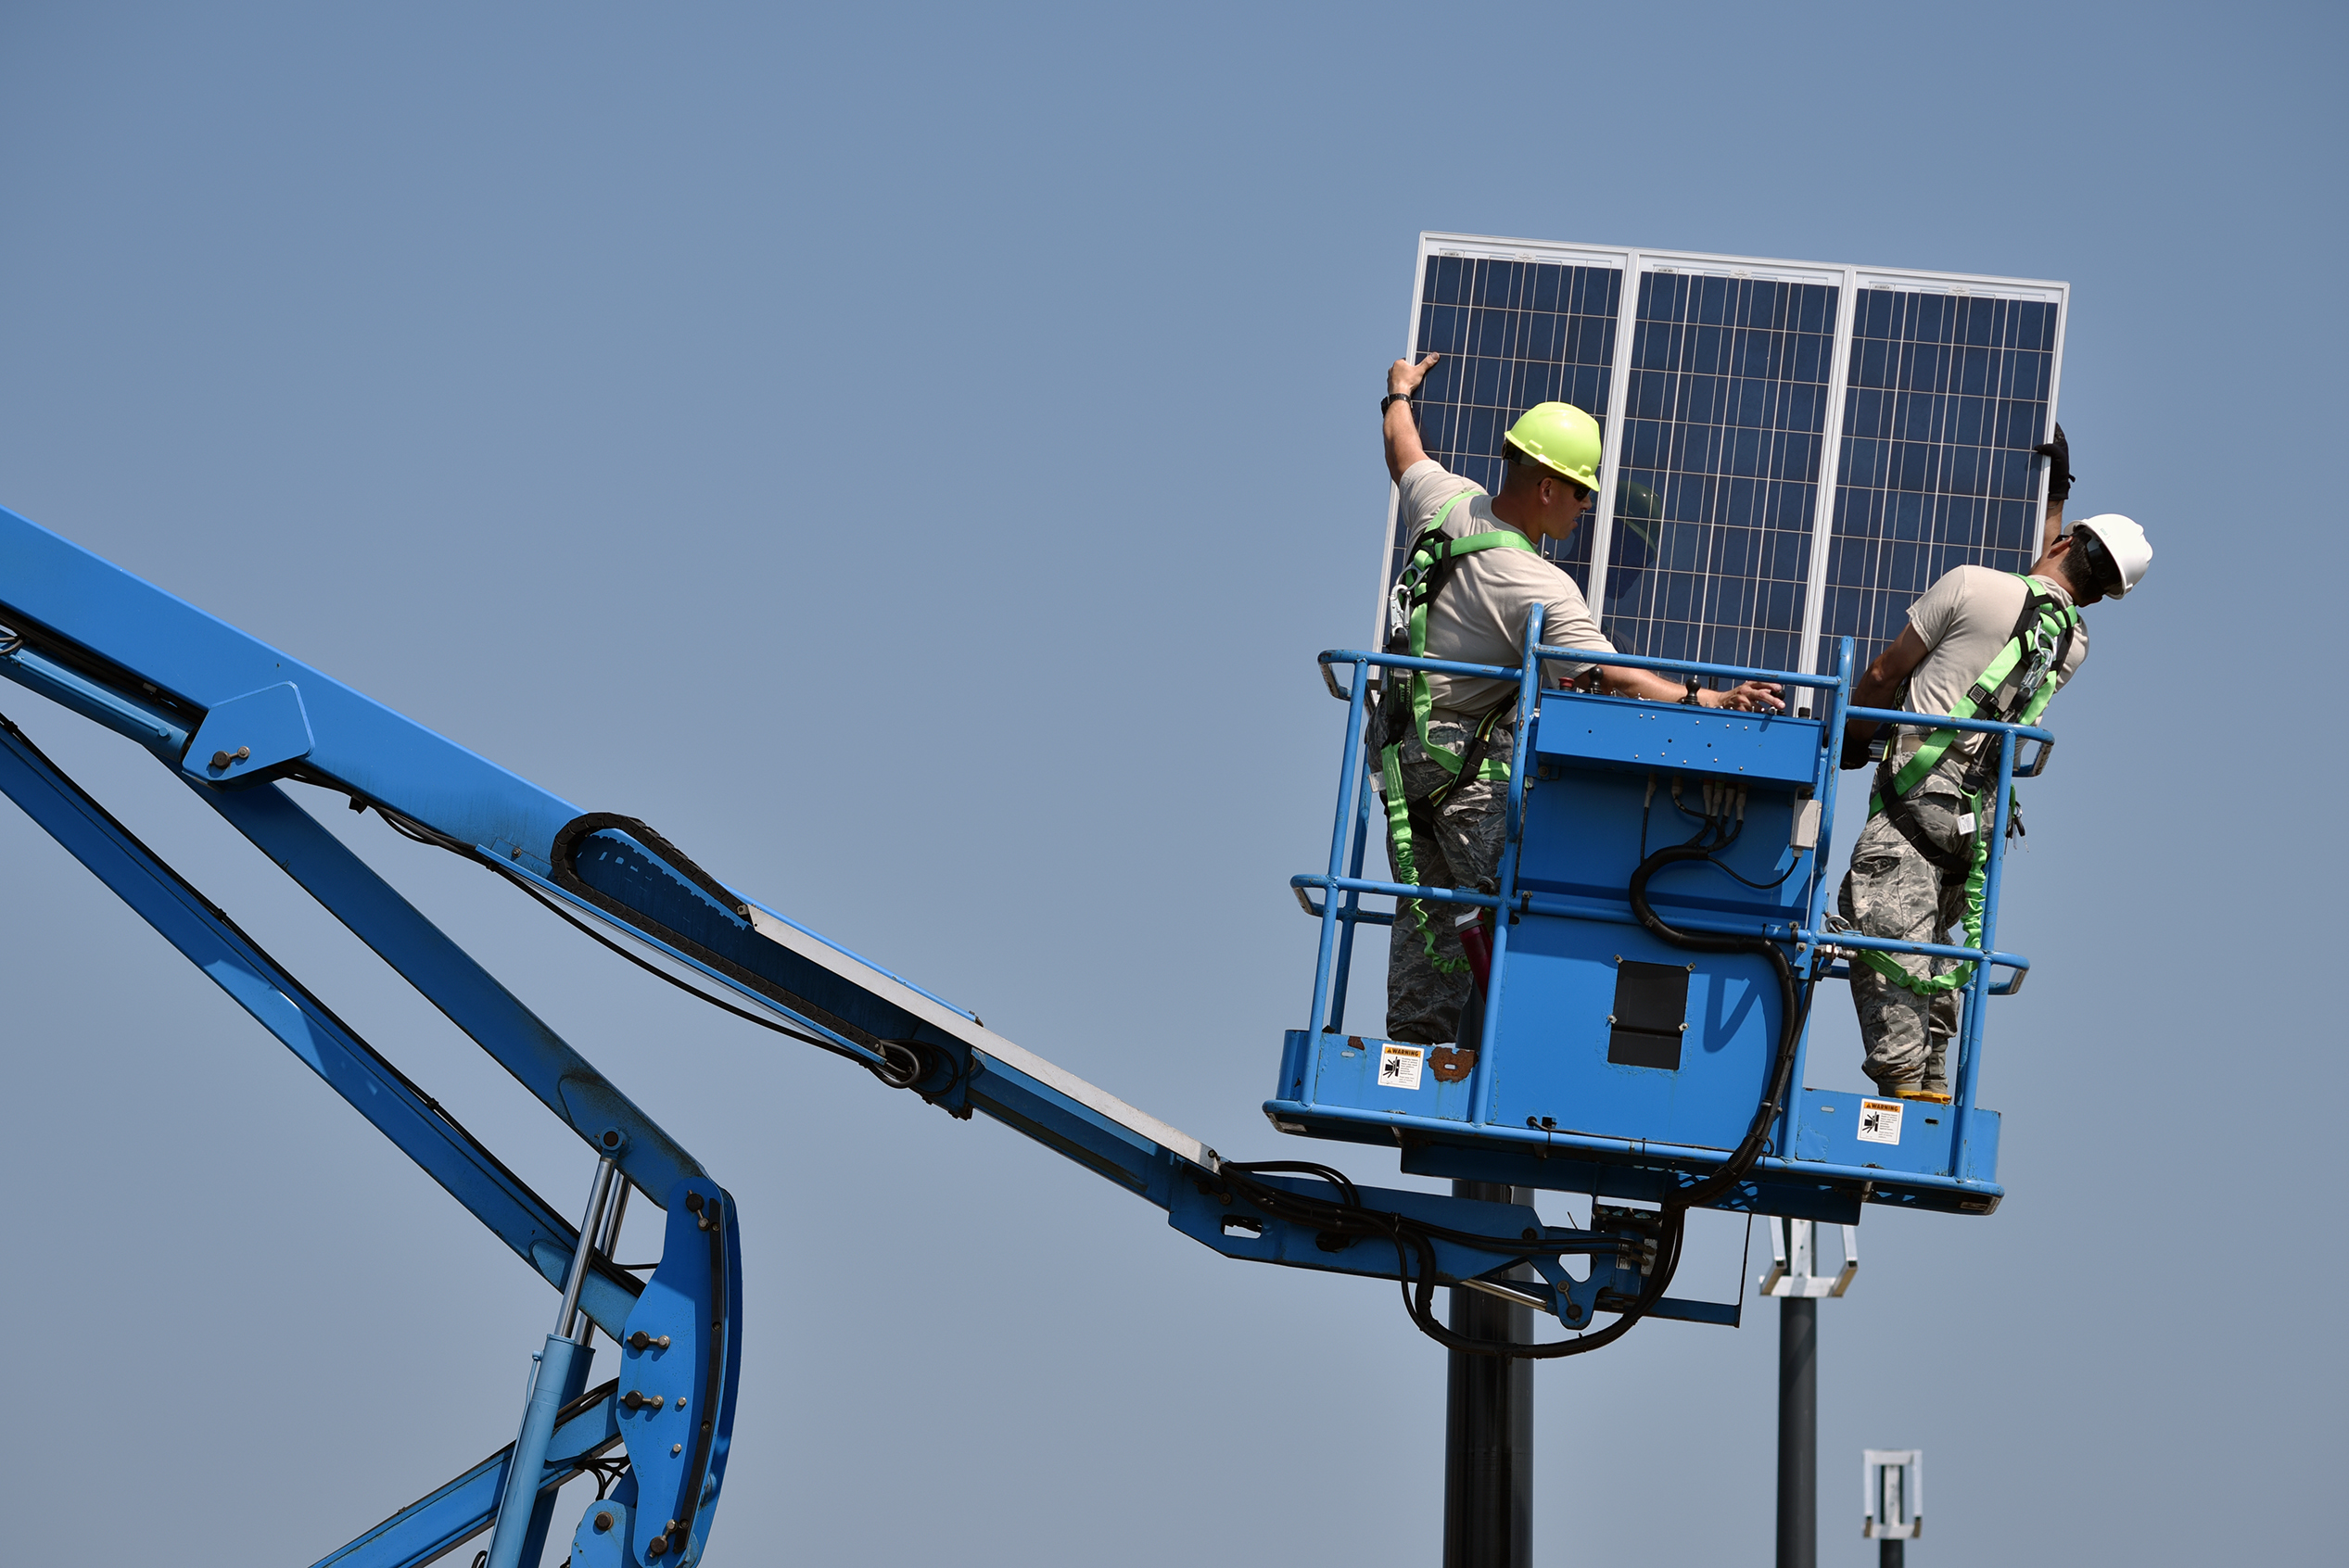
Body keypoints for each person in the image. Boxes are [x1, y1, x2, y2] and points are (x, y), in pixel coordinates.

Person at [1378, 352, 1783, 1046]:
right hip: (1459, 764)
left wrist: (1397, 393)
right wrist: (1708, 698)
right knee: (1532, 894)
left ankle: (1413, 1046)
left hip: (1395, 758)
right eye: (1580, 491)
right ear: (1544, 488)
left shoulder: (1444, 499)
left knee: (1431, 906)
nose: (1587, 506)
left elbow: (1402, 449)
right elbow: (1614, 677)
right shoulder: (1534, 585)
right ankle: (1539, 1040)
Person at [1834, 431, 2151, 1101]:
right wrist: (2056, 500)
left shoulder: (1969, 585)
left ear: (2068, 544)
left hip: (1915, 798)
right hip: (1975, 822)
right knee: (1938, 938)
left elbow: (1885, 673)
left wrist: (1855, 738)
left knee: (1882, 923)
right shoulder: (2073, 644)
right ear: (2100, 596)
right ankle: (1936, 1079)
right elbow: (2041, 590)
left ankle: (1901, 1078)